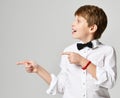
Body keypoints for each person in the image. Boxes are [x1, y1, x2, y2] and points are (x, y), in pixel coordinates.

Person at [16, 5, 117, 98]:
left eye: (78, 21)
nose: (73, 24)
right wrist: (38, 69)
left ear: (92, 28)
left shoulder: (107, 51)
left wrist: (83, 61)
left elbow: (110, 82)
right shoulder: (69, 51)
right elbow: (61, 86)